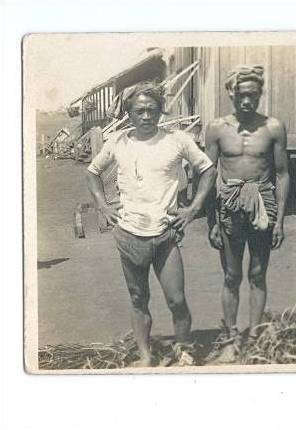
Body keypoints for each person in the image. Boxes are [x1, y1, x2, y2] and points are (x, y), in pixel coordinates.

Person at [86, 81, 216, 367]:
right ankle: (145, 356)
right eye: (140, 111)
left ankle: (183, 349)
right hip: (129, 233)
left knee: (177, 300)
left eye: (152, 110)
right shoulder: (117, 141)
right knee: (138, 297)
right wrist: (102, 206)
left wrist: (193, 209)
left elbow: (207, 170)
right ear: (129, 113)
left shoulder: (177, 140)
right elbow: (93, 172)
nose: (146, 116)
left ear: (161, 111)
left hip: (165, 234)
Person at [205, 65, 290, 363]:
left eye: (253, 95)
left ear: (260, 94)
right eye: (241, 95)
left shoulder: (273, 128)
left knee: (257, 273)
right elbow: (207, 175)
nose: (246, 101)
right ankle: (230, 339)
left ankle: (254, 338)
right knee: (231, 275)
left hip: (262, 202)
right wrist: (212, 222)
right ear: (231, 93)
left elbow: (282, 174)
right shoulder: (217, 128)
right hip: (229, 203)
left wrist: (280, 221)